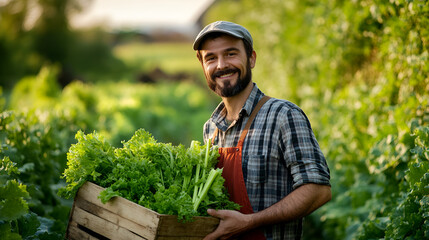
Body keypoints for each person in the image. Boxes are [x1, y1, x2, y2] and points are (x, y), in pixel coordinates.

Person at [193, 21, 332, 240]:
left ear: (251, 58)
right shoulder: (211, 128)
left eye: (231, 54)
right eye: (211, 57)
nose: (221, 65)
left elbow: (318, 191)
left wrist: (249, 222)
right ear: (203, 66)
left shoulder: (283, 115)